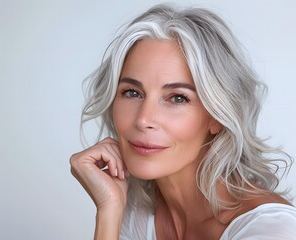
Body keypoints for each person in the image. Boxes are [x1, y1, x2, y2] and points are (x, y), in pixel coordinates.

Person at [70, 3, 296, 239]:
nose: (144, 119)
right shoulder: (132, 210)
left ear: (217, 116)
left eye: (177, 98)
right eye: (132, 93)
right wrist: (109, 209)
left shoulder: (271, 231)